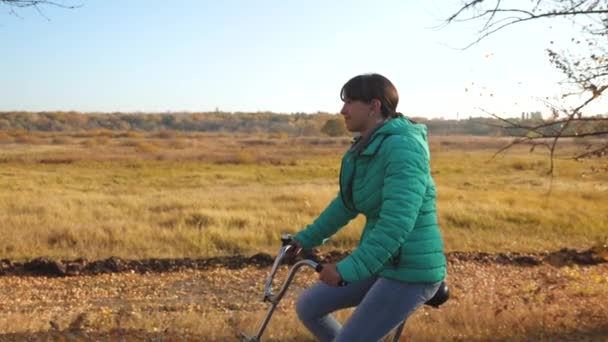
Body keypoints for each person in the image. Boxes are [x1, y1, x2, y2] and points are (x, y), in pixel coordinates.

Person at [290, 73, 447, 342]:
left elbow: (396, 223)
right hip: (382, 262)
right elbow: (346, 204)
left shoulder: (404, 147)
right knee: (308, 307)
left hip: (410, 270)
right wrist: (304, 240)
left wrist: (346, 269)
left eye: (350, 102)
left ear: (374, 106)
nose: (342, 110)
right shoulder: (366, 146)